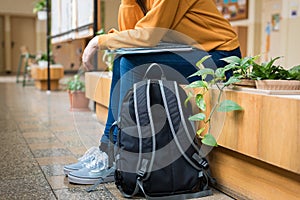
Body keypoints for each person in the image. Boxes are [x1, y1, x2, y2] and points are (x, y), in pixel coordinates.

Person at [64, 0, 241, 184]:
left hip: (221, 56)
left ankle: (117, 154)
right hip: (191, 51)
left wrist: (98, 41)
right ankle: (107, 149)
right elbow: (131, 36)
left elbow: (148, 36)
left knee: (131, 64)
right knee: (122, 60)